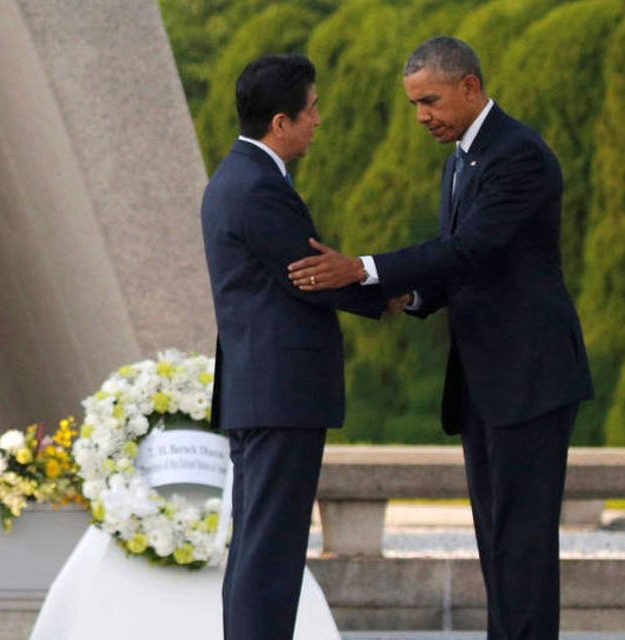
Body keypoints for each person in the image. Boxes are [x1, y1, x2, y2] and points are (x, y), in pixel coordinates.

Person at [287, 36, 593, 639]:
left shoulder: (519, 154)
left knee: (522, 541)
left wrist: (365, 268)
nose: (422, 116)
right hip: (485, 381)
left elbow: (472, 246)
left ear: (470, 88)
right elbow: (465, 268)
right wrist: (412, 297)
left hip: (530, 376)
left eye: (430, 101)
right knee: (496, 539)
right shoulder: (460, 159)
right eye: (414, 105)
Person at [201, 54, 394, 640]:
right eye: (311, 110)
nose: (319, 120)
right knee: (270, 554)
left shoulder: (240, 179)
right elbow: (311, 275)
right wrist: (393, 293)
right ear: (280, 122)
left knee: (262, 549)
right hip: (278, 397)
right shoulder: (257, 187)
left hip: (264, 395)